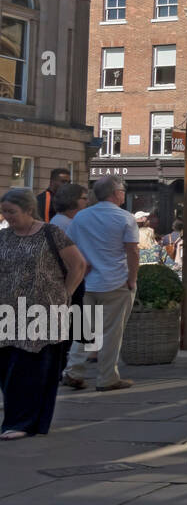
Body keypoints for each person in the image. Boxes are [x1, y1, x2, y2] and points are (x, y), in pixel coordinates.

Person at [0, 188, 87, 438]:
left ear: (28, 209)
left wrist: (64, 296)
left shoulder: (51, 233)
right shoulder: (4, 237)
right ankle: (22, 418)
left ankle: (21, 423)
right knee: (6, 365)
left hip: (43, 311)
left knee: (30, 368)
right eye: (4, 212)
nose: (7, 217)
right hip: (7, 312)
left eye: (12, 212)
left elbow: (78, 265)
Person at [63, 177, 140, 392]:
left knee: (84, 329)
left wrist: (81, 266)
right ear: (115, 193)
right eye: (122, 190)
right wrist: (132, 280)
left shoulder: (81, 218)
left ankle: (73, 370)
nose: (124, 194)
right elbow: (132, 251)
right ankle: (107, 377)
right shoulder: (125, 218)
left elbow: (69, 246)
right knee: (112, 332)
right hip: (115, 281)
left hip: (87, 281)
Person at [49, 184, 89, 372]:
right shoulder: (66, 224)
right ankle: (68, 368)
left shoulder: (62, 221)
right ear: (73, 201)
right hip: (70, 281)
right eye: (83, 198)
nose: (87, 201)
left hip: (70, 280)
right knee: (75, 327)